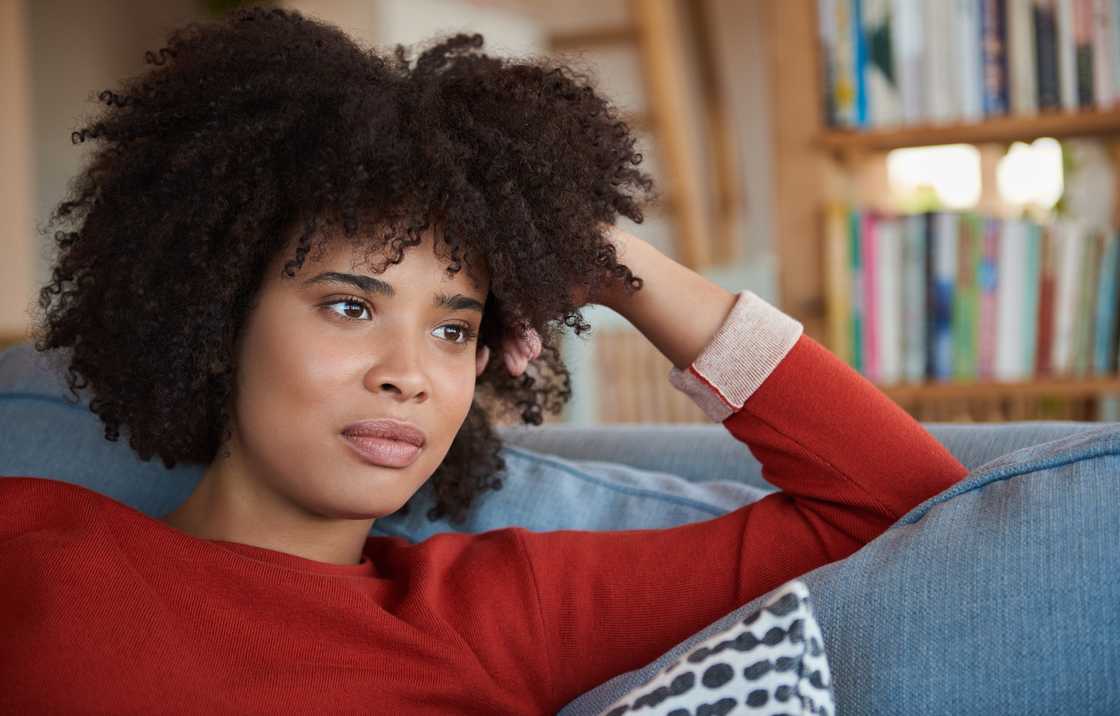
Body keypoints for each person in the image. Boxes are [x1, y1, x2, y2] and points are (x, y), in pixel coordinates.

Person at [0, 7, 969, 713]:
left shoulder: (502, 611)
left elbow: (903, 501)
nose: (407, 371)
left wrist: (612, 262)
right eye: (349, 304)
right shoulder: (34, 538)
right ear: (214, 317)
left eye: (454, 327)